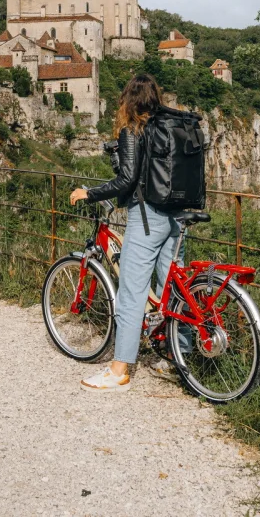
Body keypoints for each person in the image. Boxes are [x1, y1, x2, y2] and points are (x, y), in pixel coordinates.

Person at [70, 73, 182, 392]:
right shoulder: (170, 125)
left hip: (148, 216)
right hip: (177, 212)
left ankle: (119, 370)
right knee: (171, 285)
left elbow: (127, 179)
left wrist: (89, 193)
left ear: (127, 100)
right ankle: (179, 359)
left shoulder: (134, 127)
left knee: (132, 293)